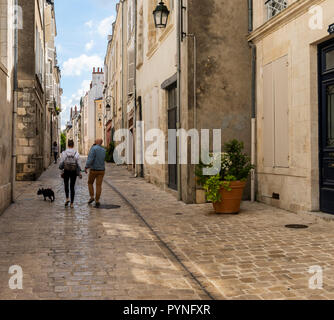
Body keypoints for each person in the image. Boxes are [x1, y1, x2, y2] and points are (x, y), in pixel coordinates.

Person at [59, 140, 82, 208]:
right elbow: (79, 164)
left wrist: (62, 172)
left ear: (67, 145)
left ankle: (67, 198)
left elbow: (62, 163)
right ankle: (72, 203)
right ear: (73, 145)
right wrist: (79, 173)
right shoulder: (76, 153)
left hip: (66, 171)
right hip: (73, 171)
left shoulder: (64, 153)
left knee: (66, 185)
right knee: (72, 186)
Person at [85, 139, 106, 208]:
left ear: (96, 142)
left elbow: (90, 159)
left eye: (95, 141)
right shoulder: (104, 150)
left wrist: (86, 167)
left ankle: (92, 197)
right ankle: (97, 200)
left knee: (90, 183)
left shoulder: (93, 149)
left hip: (94, 170)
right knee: (99, 185)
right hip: (101, 170)